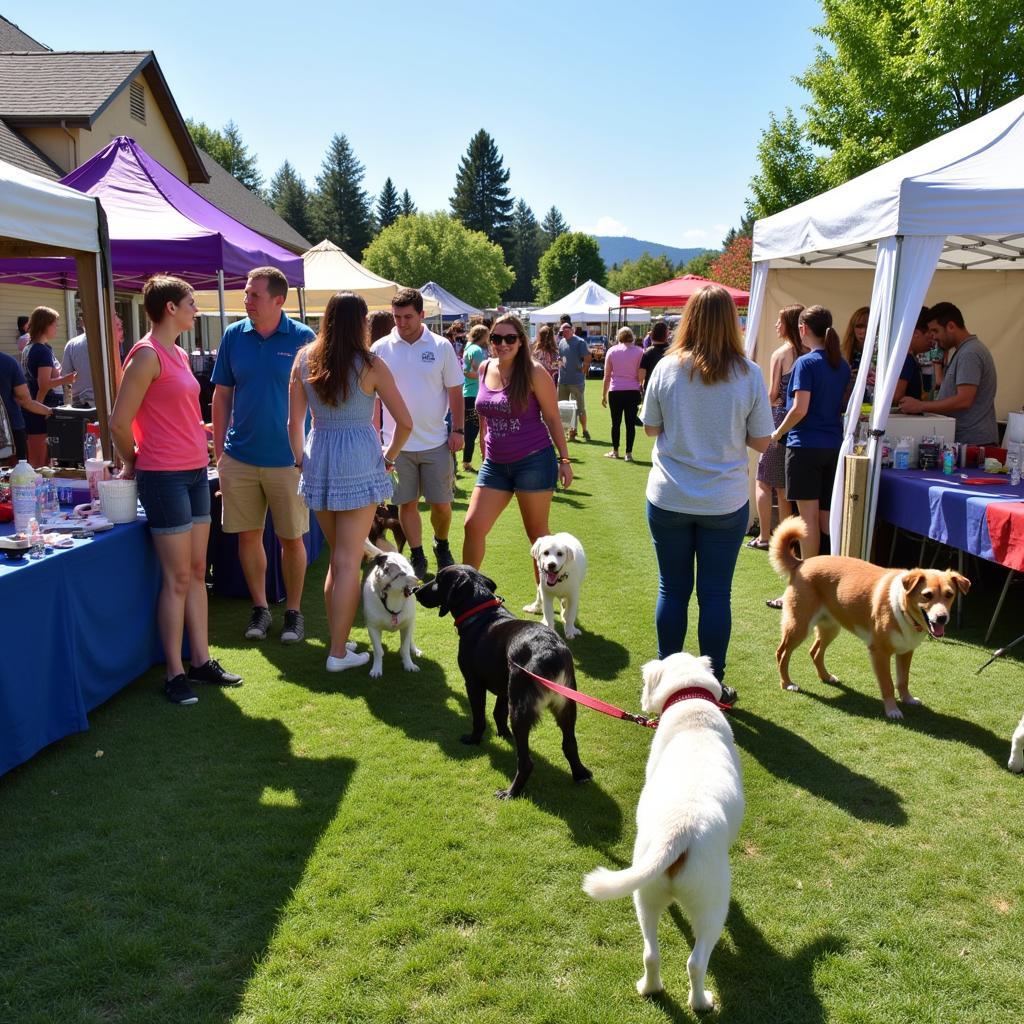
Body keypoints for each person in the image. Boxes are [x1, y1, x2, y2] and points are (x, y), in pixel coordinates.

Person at [109, 275, 242, 705]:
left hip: (193, 472)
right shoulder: (146, 356)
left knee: (198, 569)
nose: (195, 309)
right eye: (189, 303)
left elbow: (172, 410)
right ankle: (174, 671)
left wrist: (194, 434)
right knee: (178, 576)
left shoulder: (180, 353)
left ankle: (200, 661)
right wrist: (133, 460)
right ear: (170, 308)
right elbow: (117, 421)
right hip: (163, 475)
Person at [640, 285, 773, 689]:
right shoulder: (748, 374)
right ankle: (713, 683)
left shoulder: (667, 367)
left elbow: (650, 428)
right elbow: (762, 441)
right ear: (732, 322)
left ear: (689, 319)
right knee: (715, 595)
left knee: (673, 589)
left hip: (670, 495)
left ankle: (669, 680)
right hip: (724, 500)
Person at [289, 292, 412, 672]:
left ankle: (338, 643)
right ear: (361, 323)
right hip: (358, 460)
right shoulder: (371, 364)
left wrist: (300, 460)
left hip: (319, 457)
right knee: (347, 560)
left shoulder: (303, 358)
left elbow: (294, 423)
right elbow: (405, 423)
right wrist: (389, 458)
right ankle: (338, 653)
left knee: (337, 561)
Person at [211, 266, 315, 644]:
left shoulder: (304, 338)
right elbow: (221, 395)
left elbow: (317, 400)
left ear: (278, 300)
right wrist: (220, 451)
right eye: (246, 294)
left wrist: (310, 452)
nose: (246, 300)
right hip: (239, 458)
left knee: (291, 539)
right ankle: (260, 608)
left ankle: (294, 613)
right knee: (248, 537)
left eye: (254, 294)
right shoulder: (233, 336)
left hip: (289, 460)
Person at [461, 314, 572, 571]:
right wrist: (482, 441)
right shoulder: (484, 368)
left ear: (521, 341)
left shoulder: (534, 372)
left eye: (510, 338)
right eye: (497, 338)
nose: (502, 343)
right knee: (472, 526)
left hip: (533, 461)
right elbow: (485, 411)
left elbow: (553, 418)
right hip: (495, 464)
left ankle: (544, 601)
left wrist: (564, 460)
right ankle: (468, 593)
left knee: (538, 536)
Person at [371, 287, 464, 581]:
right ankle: (418, 552)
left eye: (408, 316)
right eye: (397, 317)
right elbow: (372, 398)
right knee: (406, 505)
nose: (401, 322)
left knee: (442, 505)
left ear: (422, 314)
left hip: (436, 440)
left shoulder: (441, 346)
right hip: (395, 445)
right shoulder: (380, 348)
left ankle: (442, 543)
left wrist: (458, 429)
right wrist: (375, 436)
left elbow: (455, 391)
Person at [768, 305, 851, 577]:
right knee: (826, 517)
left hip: (804, 446)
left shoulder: (805, 362)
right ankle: (828, 578)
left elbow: (800, 408)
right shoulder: (841, 364)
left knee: (808, 520)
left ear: (803, 329)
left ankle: (809, 583)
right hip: (833, 445)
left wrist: (778, 432)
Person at [898, 302, 998, 445]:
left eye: (935, 331)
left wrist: (920, 406)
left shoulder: (970, 353)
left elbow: (964, 400)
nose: (933, 337)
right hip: (968, 441)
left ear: (951, 326)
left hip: (974, 443)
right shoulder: (964, 351)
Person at [749, 305, 804, 549]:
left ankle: (765, 536)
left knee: (763, 481)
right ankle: (787, 541)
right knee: (784, 487)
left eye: (779, 321)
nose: (775, 326)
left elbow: (772, 394)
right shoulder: (811, 352)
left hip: (779, 419)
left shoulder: (781, 354)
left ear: (788, 324)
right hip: (802, 423)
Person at [21, 306, 76, 467]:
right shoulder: (41, 351)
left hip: (34, 409)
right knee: (42, 464)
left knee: (39, 461)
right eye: (54, 324)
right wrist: (66, 378)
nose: (56, 328)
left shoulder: (29, 347)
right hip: (42, 411)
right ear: (44, 325)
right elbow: (43, 384)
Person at [0, 349, 54, 465]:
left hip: (10, 434)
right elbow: (25, 400)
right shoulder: (7, 362)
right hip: (11, 433)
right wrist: (49, 411)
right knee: (17, 479)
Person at [62, 314, 125, 407]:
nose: (120, 329)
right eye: (117, 325)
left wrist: (68, 406)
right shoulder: (108, 342)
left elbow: (65, 379)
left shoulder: (71, 345)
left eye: (120, 326)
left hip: (81, 405)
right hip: (105, 404)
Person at [601, 326, 645, 461]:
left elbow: (607, 375)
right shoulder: (640, 351)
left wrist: (603, 395)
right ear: (631, 336)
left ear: (618, 337)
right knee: (630, 424)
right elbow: (641, 375)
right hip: (632, 391)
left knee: (616, 423)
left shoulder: (612, 351)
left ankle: (615, 451)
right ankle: (629, 453)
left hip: (615, 391)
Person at [556, 321, 591, 441]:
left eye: (566, 330)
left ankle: (585, 430)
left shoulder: (579, 342)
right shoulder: (561, 342)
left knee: (579, 408)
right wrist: (559, 362)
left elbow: (587, 357)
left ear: (571, 330)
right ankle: (570, 432)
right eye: (562, 331)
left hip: (576, 381)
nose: (563, 333)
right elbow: (560, 357)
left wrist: (583, 370)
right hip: (563, 381)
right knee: (564, 408)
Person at [892, 307, 934, 404]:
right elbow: (896, 396)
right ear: (915, 333)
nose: (934, 339)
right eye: (930, 334)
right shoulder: (907, 360)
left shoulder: (909, 359)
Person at [461, 323, 488, 473]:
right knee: (474, 429)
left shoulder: (468, 348)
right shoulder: (477, 350)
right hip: (475, 394)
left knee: (471, 429)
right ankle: (467, 462)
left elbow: (467, 371)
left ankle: (467, 461)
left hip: (468, 393)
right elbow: (476, 372)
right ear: (483, 336)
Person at [841, 306, 872, 401]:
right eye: (859, 326)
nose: (863, 331)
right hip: (848, 402)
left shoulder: (882, 353)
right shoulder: (841, 352)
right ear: (852, 328)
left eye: (868, 326)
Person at [639, 320, 670, 392]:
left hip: (651, 388)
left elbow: (641, 375)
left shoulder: (648, 353)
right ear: (666, 334)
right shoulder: (673, 351)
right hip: (668, 388)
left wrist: (641, 385)